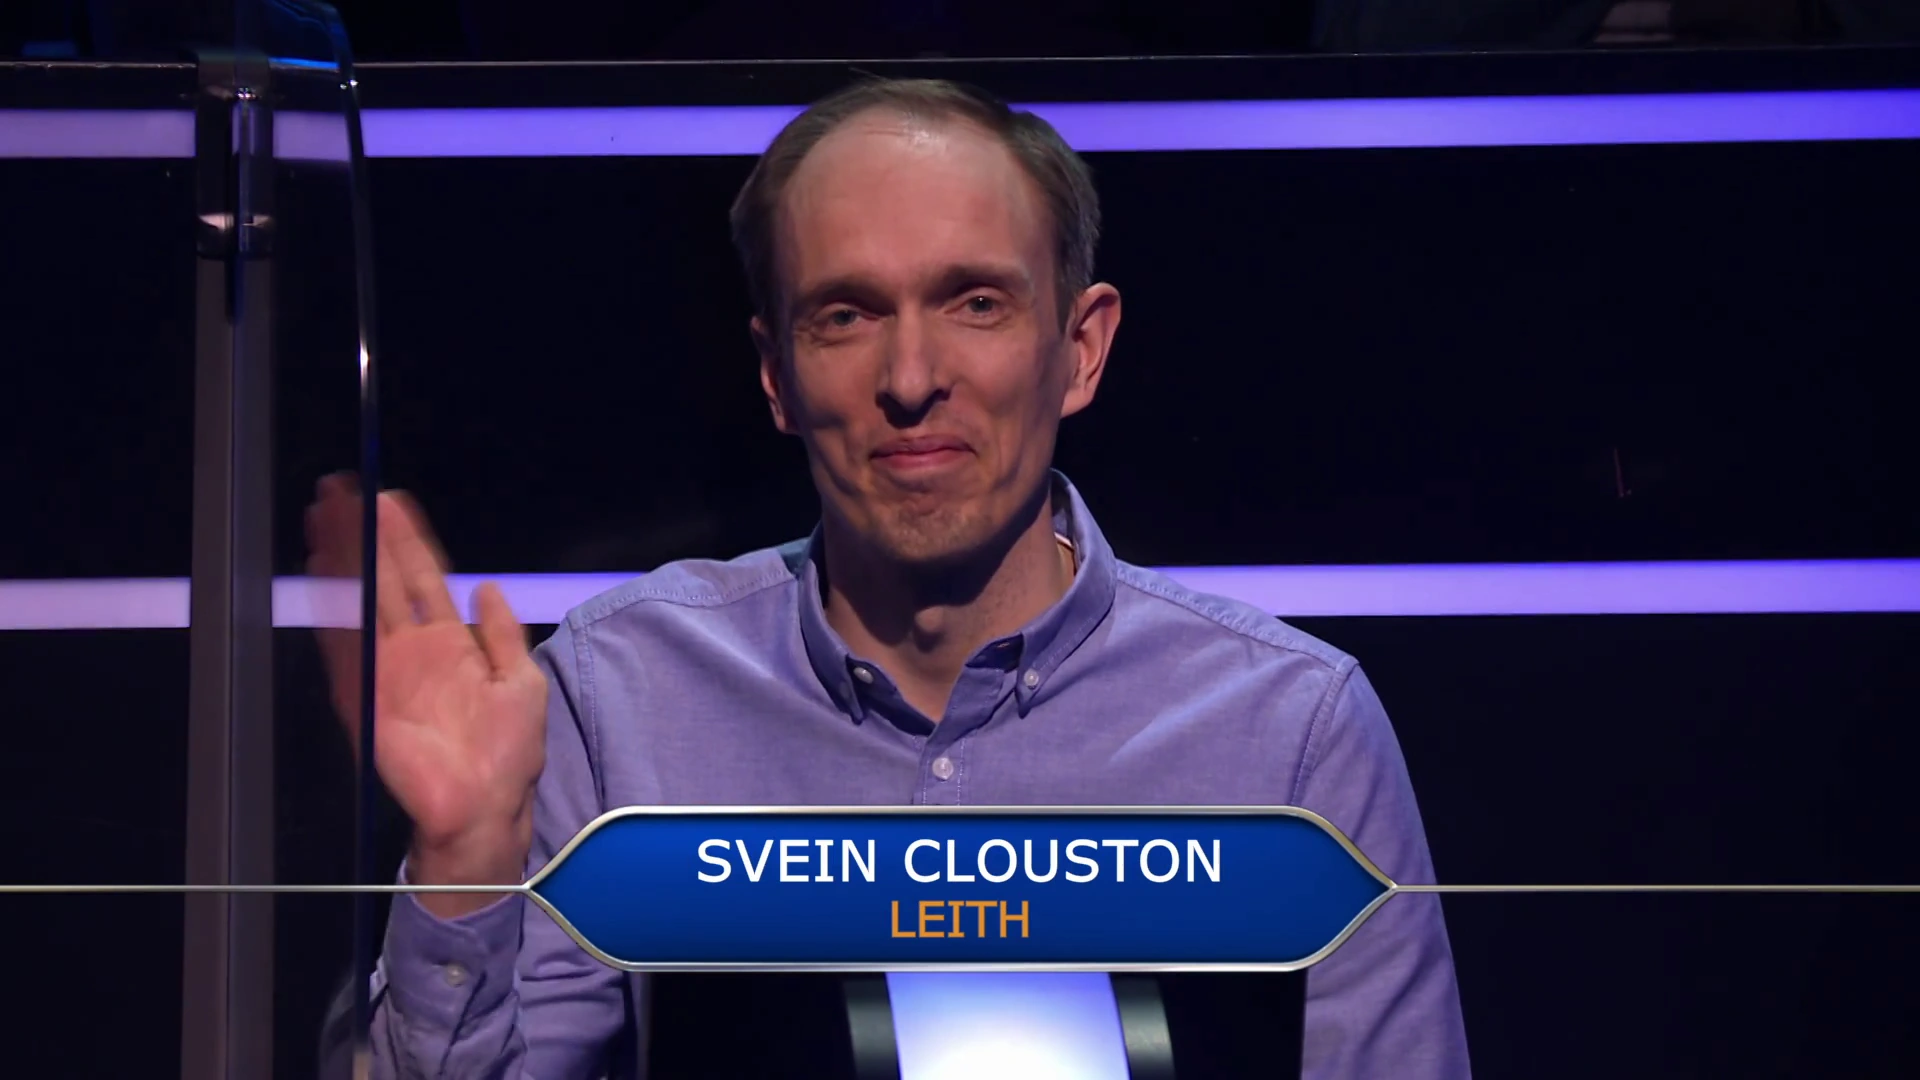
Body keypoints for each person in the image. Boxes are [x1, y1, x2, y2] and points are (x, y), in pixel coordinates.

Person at [310, 77, 1471, 1079]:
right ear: (776, 372)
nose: (911, 377)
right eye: (847, 314)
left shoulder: (1292, 730)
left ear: (1079, 348)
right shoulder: (619, 698)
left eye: (976, 302)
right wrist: (463, 861)